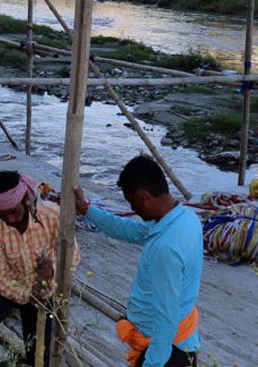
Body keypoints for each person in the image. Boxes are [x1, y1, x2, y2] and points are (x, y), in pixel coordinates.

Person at [74, 157, 201, 367]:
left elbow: (166, 316)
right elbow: (128, 229)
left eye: (131, 202)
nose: (133, 209)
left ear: (143, 196)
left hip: (166, 352)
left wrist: (152, 364)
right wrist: (87, 209)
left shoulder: (165, 248)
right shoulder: (185, 217)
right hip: (180, 340)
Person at [0, 170, 78, 366]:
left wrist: (52, 273)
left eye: (13, 212)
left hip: (46, 285)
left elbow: (72, 256)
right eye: (3, 215)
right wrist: (27, 295)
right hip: (11, 283)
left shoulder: (52, 216)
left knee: (41, 339)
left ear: (26, 199)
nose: (9, 219)